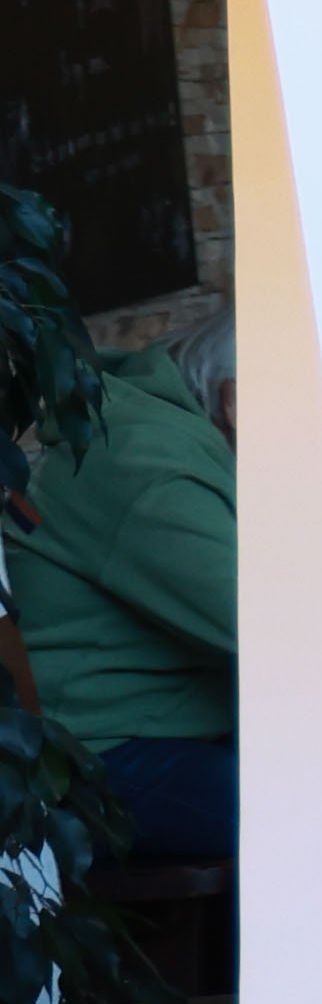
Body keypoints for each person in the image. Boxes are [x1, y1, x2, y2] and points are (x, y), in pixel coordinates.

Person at [6, 309, 236, 859]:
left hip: (166, 719)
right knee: (312, 812)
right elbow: (279, 634)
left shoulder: (153, 423)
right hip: (93, 750)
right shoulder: (151, 466)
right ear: (236, 403)